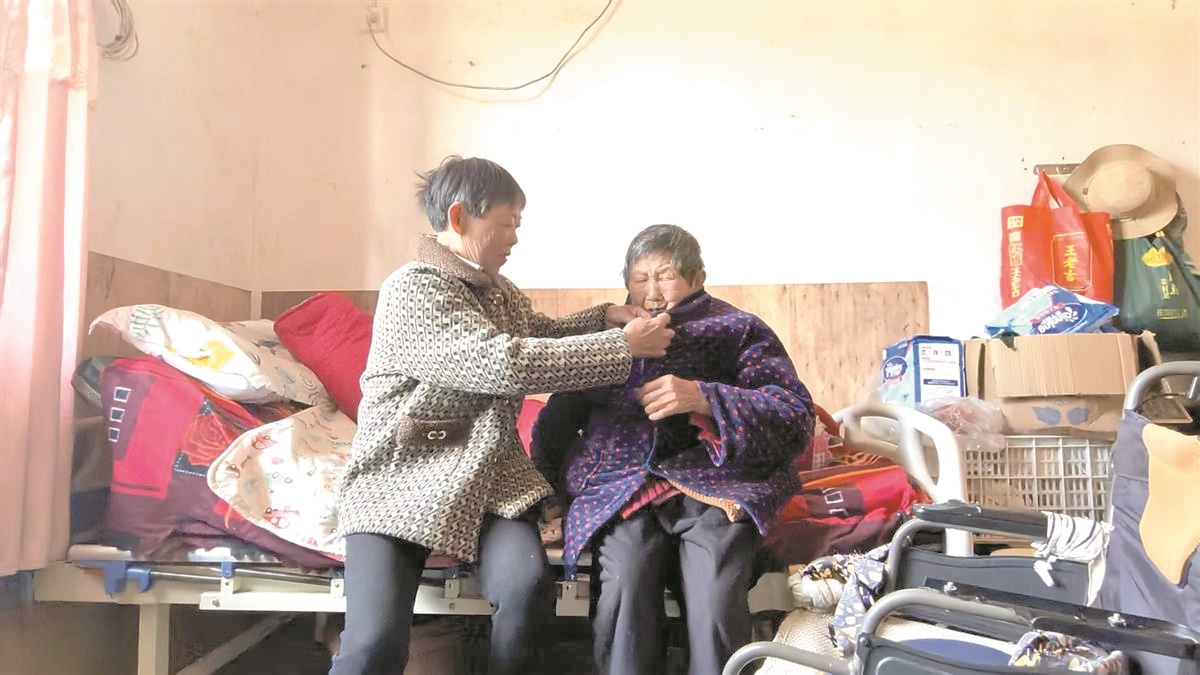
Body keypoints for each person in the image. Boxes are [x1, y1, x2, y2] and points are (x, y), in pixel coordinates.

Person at [330, 156, 675, 675]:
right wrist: (621, 346)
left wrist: (602, 318)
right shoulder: (412, 289)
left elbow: (536, 334)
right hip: (400, 478)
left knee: (527, 587)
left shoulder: (499, 290)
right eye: (507, 223)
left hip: (492, 479)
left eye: (518, 224)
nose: (515, 237)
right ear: (459, 217)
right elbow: (502, 362)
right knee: (373, 643)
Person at [532, 224, 814, 675]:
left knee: (715, 593)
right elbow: (556, 422)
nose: (652, 292)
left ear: (697, 278)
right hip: (621, 489)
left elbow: (794, 416)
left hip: (715, 487)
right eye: (640, 278)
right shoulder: (608, 339)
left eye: (666, 277)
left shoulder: (738, 329)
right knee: (624, 584)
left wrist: (704, 397)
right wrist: (550, 496)